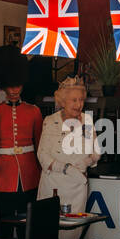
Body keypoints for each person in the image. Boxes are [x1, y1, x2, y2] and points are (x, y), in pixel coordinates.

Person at [0, 45, 43, 222]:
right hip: (3, 176)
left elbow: (40, 146)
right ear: (3, 86)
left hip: (30, 175)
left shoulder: (33, 111)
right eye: (10, 86)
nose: (14, 90)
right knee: (4, 224)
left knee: (28, 225)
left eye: (17, 85)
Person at [37, 77, 99, 214]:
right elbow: (42, 155)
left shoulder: (87, 121)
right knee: (50, 229)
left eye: (81, 100)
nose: (79, 104)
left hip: (77, 187)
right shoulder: (51, 121)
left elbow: (96, 151)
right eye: (74, 100)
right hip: (53, 186)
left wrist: (86, 162)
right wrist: (66, 168)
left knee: (73, 230)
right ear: (63, 101)